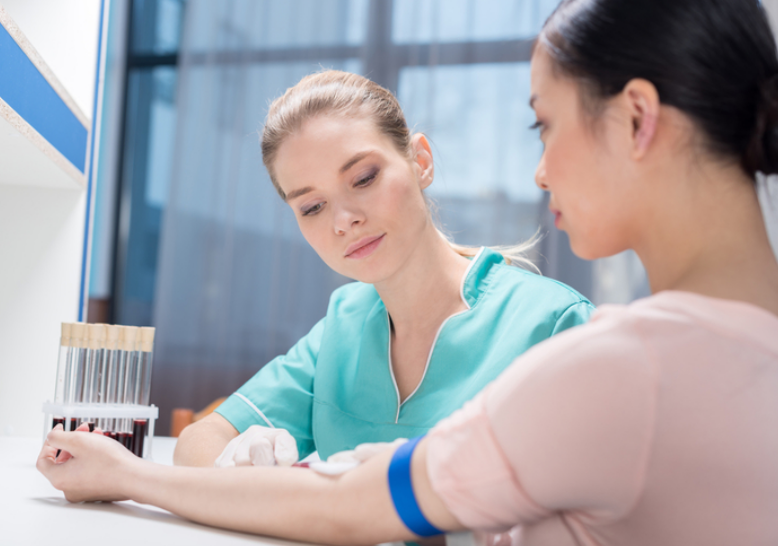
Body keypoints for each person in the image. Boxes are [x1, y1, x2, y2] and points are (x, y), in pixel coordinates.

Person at [37, 0, 778, 544]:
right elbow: (229, 446)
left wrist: (127, 474)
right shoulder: (347, 324)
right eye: (310, 206)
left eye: (544, 125)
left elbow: (352, 507)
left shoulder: (602, 355)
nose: (540, 171)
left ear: (637, 119)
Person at [171, 70, 593, 468]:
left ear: (420, 161)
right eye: (312, 207)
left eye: (364, 179)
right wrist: (241, 460)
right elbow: (198, 441)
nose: (344, 220)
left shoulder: (552, 324)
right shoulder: (344, 325)